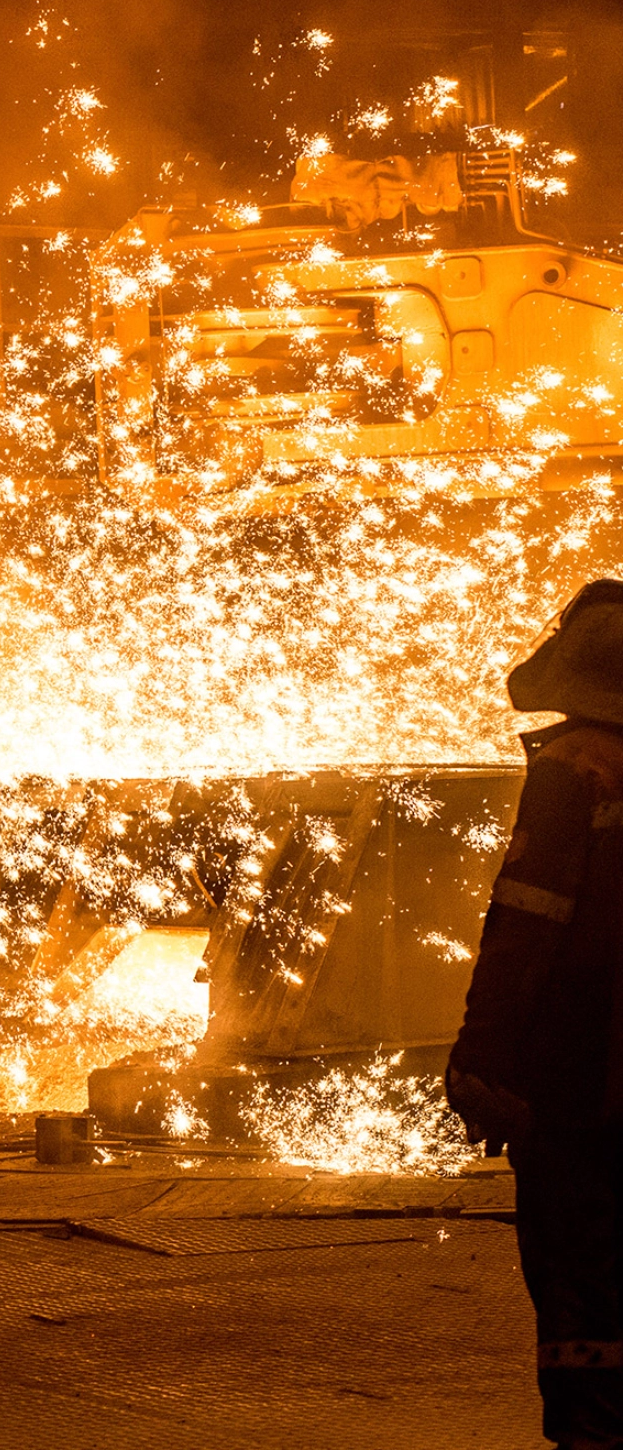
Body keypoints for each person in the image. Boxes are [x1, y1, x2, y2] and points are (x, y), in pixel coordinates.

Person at [449, 578, 623, 1450]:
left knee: (581, 1275)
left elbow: (524, 927)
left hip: (581, 1078)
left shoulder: (570, 772)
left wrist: (480, 1062)